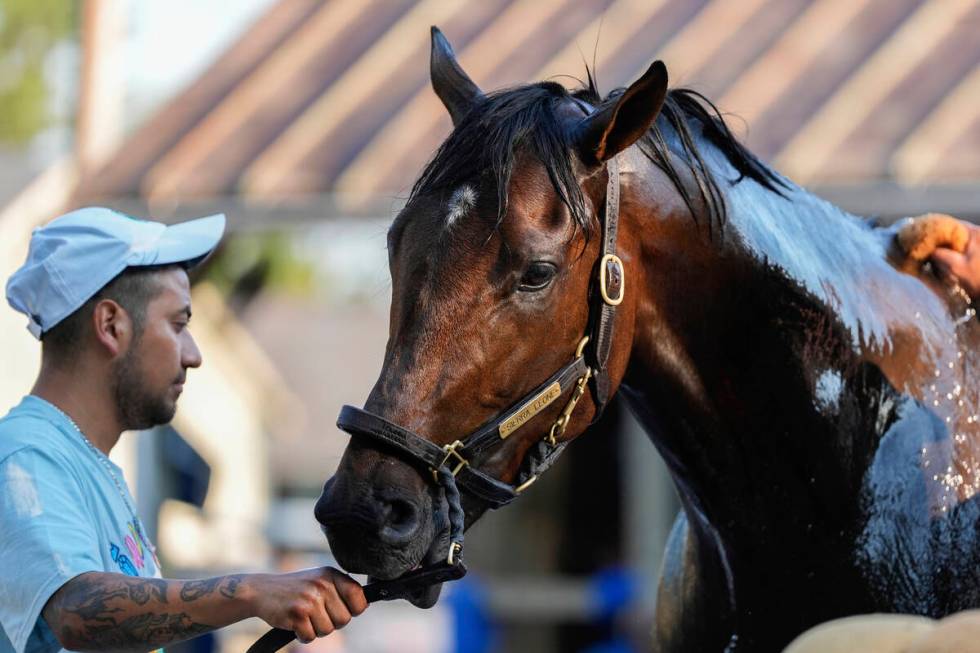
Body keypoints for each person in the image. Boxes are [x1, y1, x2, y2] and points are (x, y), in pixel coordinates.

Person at [0, 208, 366, 653]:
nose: (193, 355)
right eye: (177, 325)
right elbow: (75, 612)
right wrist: (252, 592)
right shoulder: (26, 456)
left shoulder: (88, 469)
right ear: (111, 325)